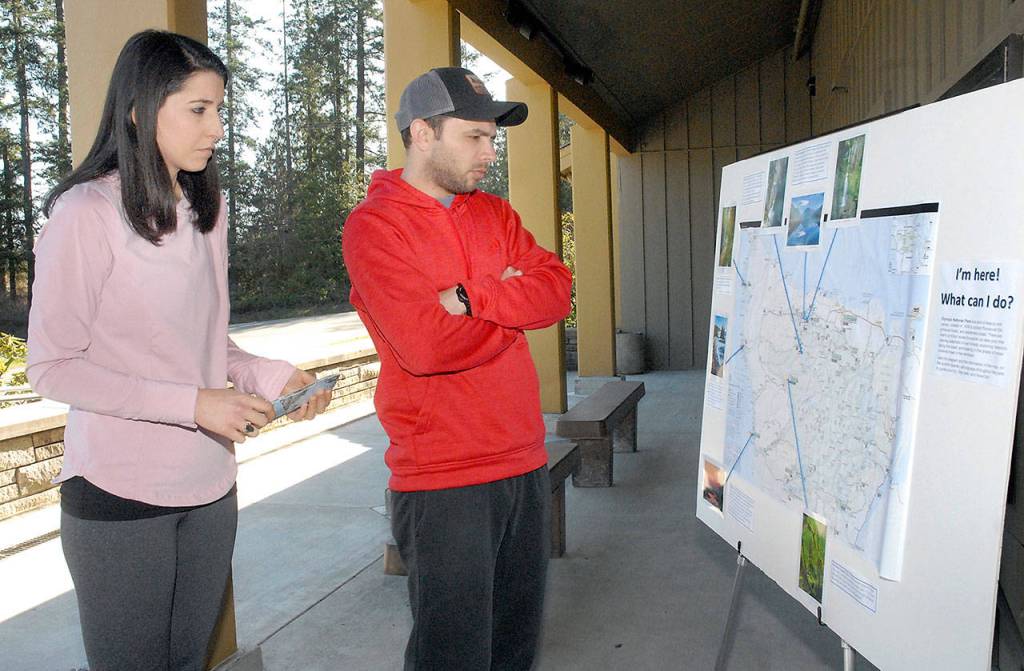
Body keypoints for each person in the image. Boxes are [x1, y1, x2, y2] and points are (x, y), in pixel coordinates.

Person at [26, 30, 329, 671]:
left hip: (211, 489)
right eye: (199, 109)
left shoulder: (204, 212)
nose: (216, 127)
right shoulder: (85, 212)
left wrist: (275, 376)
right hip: (118, 497)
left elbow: (208, 343)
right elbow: (52, 366)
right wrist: (194, 405)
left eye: (220, 109)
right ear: (138, 109)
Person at [342, 67, 573, 670]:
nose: (489, 153)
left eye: (492, 138)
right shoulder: (374, 228)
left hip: (523, 460)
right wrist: (510, 311)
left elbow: (557, 292)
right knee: (454, 657)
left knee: (513, 649)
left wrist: (473, 299)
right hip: (442, 477)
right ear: (422, 133)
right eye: (474, 136)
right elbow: (425, 348)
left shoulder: (494, 214)